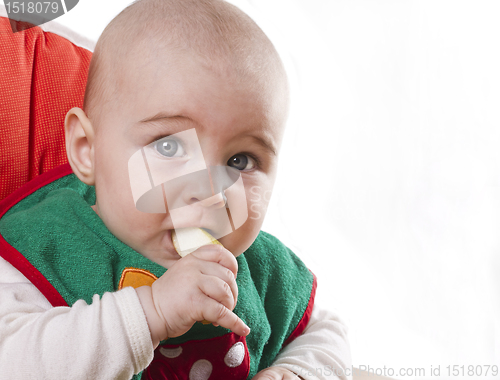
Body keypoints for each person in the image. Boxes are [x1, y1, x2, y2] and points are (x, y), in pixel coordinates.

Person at [0, 0, 351, 378]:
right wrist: (152, 313)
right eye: (169, 147)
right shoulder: (43, 249)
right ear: (88, 151)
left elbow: (325, 332)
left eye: (241, 161)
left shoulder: (258, 265)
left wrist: (296, 371)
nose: (209, 191)